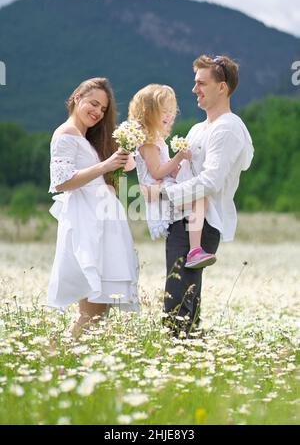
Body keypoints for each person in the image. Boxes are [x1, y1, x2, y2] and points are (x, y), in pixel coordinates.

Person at [144, 55, 254, 337]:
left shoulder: (227, 128)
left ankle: (179, 357)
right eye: (195, 83)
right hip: (183, 218)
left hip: (203, 222)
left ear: (223, 88)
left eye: (202, 83)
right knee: (181, 298)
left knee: (178, 299)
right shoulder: (197, 129)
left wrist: (165, 194)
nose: (195, 90)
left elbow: (210, 181)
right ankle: (188, 358)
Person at [48, 77, 139, 338]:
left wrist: (122, 155)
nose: (98, 112)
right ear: (77, 98)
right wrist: (105, 166)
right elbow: (62, 181)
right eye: (93, 104)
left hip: (102, 220)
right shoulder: (65, 134)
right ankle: (59, 354)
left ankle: (66, 355)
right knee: (93, 308)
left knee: (101, 308)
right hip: (87, 223)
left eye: (103, 109)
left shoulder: (85, 138)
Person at [129, 84, 216, 269]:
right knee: (199, 199)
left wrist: (176, 170)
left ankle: (194, 249)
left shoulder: (156, 139)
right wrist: (178, 158)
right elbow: (156, 172)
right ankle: (194, 250)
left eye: (171, 111)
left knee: (200, 199)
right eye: (163, 111)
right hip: (159, 195)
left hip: (164, 189)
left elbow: (163, 169)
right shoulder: (148, 143)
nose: (168, 116)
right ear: (147, 113)